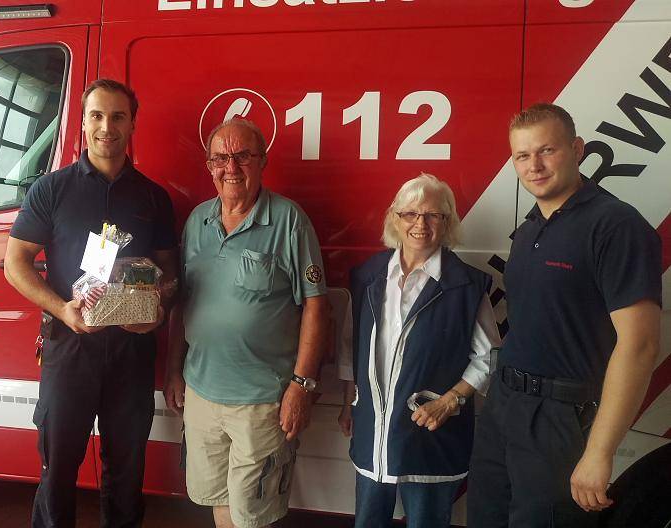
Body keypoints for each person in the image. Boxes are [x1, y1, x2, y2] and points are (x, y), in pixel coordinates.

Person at [467, 103, 662, 527]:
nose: (534, 165)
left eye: (547, 151)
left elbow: (641, 345)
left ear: (577, 149)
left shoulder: (615, 226)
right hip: (505, 406)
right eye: (522, 155)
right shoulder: (533, 225)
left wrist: (598, 451)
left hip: (561, 418)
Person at [4, 79, 178, 528]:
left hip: (132, 354)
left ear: (133, 123)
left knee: (126, 473)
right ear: (82, 123)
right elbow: (15, 264)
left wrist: (155, 312)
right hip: (68, 348)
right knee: (58, 468)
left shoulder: (153, 198)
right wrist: (63, 310)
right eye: (97, 116)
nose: (107, 127)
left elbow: (171, 278)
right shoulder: (51, 190)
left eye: (118, 116)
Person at [164, 118, 329, 528]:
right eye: (220, 158)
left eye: (242, 156)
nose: (231, 167)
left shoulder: (289, 221)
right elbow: (183, 304)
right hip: (201, 393)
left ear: (263, 161)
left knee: (253, 514)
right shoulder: (197, 221)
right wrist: (172, 372)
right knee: (219, 500)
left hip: (262, 400)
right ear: (208, 165)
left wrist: (302, 385)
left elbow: (316, 306)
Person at [338, 174, 501, 528]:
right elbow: (353, 343)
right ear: (395, 219)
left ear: (447, 223)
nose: (420, 224)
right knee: (368, 521)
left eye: (432, 215)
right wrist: (349, 399)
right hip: (374, 427)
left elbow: (488, 357)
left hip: (431, 429)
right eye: (410, 214)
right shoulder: (368, 276)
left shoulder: (467, 284)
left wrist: (450, 401)